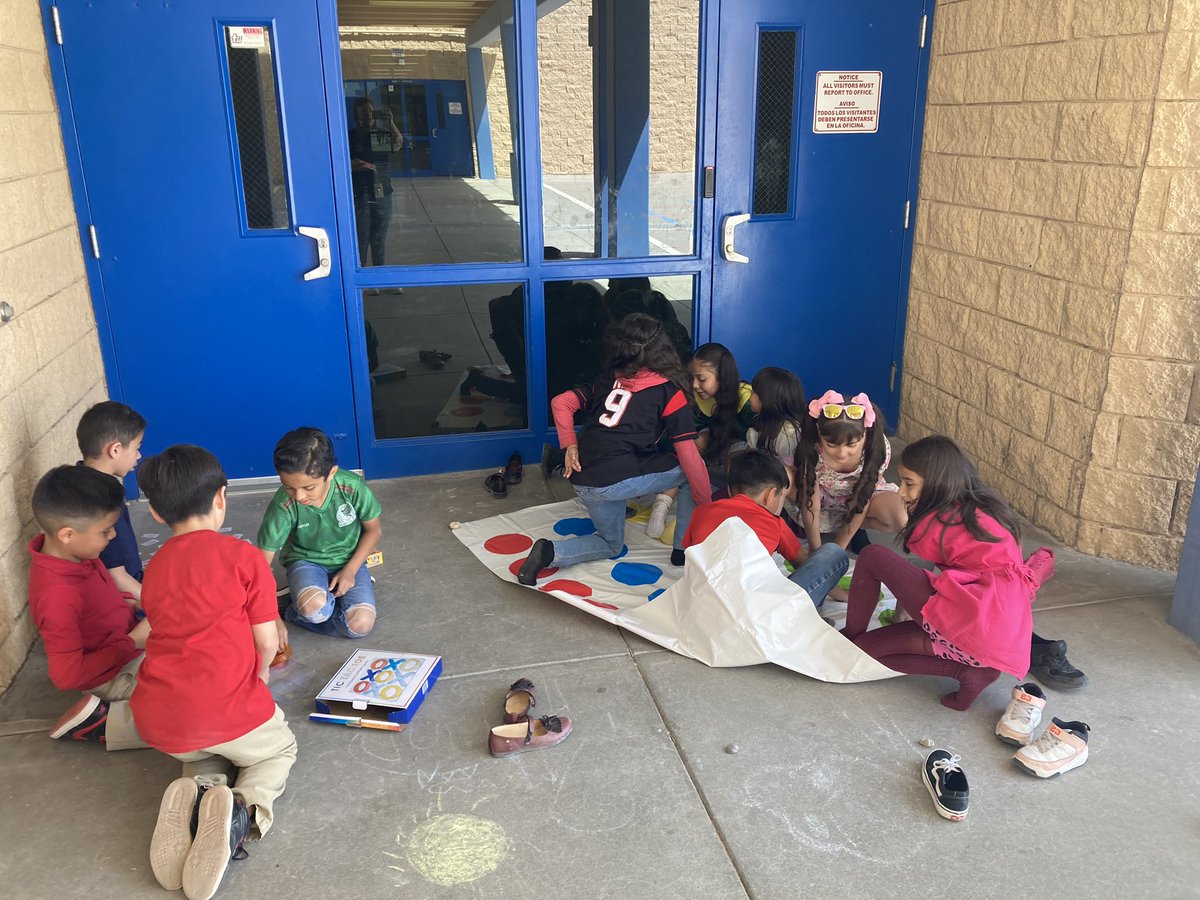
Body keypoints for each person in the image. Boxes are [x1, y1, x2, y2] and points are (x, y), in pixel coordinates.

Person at [132, 445, 296, 899]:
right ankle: (243, 811)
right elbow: (267, 641)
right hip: (229, 713)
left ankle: (199, 791)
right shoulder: (244, 557)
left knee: (206, 750)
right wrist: (258, 679)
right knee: (276, 752)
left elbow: (157, 629)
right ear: (222, 497)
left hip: (163, 724)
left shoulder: (155, 569)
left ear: (156, 513)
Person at [841, 435, 1044, 711]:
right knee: (870, 649)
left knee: (872, 557)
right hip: (997, 633)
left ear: (937, 482)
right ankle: (973, 670)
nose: (901, 492)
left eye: (909, 483)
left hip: (974, 626)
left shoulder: (940, 521)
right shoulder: (983, 512)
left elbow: (910, 576)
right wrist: (907, 618)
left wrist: (906, 619)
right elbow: (920, 577)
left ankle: (851, 637)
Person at [518, 313, 711, 581]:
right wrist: (706, 504)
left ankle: (550, 552)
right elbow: (689, 456)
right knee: (691, 475)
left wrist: (569, 445)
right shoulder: (669, 392)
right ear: (664, 349)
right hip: (613, 482)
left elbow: (561, 402)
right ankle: (683, 549)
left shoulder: (607, 379)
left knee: (611, 544)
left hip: (583, 478)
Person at [28, 465, 149, 750]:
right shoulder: (57, 595)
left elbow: (96, 604)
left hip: (130, 648)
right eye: (105, 531)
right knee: (197, 707)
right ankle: (106, 722)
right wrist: (132, 641)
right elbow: (66, 675)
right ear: (67, 534)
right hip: (113, 674)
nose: (113, 536)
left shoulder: (78, 553)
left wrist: (128, 602)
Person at [257, 427, 382, 638]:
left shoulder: (352, 487)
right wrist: (272, 617)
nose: (298, 496)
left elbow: (374, 530)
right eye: (288, 487)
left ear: (331, 473)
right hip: (306, 561)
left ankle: (317, 598)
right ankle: (293, 610)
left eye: (309, 488)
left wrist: (350, 571)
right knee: (314, 610)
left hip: (350, 559)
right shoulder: (283, 505)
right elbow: (259, 564)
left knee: (360, 626)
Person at [683, 450, 849, 607]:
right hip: (756, 614)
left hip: (700, 604)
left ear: (729, 490)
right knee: (833, 553)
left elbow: (691, 560)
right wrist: (843, 596)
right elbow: (804, 565)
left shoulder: (700, 513)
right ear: (770, 495)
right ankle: (806, 615)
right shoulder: (774, 522)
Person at [646, 342, 754, 539]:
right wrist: (703, 438)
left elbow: (755, 442)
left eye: (702, 379)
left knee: (740, 454)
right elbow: (688, 433)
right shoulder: (699, 398)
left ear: (722, 376)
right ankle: (661, 504)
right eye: (692, 378)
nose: (695, 385)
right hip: (714, 445)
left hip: (740, 451)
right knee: (688, 448)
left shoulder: (747, 398)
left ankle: (736, 510)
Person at [794, 390, 908, 552]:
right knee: (784, 481)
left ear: (865, 434)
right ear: (819, 431)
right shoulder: (812, 447)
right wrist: (816, 551)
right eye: (831, 445)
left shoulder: (878, 448)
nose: (842, 453)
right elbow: (811, 503)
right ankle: (808, 525)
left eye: (852, 445)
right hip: (822, 496)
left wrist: (836, 552)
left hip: (859, 498)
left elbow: (862, 499)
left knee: (900, 517)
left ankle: (854, 529)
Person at [76, 400, 146, 604]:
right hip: (125, 598)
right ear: (115, 450)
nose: (139, 455)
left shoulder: (78, 482)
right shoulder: (102, 500)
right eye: (137, 447)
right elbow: (117, 577)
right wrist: (159, 605)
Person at [348, 96, 401, 267]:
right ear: (356, 115)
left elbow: (398, 144)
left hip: (382, 192)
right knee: (361, 240)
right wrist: (352, 165)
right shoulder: (350, 136)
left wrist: (390, 123)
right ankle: (362, 275)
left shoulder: (379, 133)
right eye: (363, 111)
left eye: (370, 111)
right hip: (360, 193)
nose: (367, 115)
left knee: (379, 241)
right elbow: (339, 161)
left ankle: (379, 275)